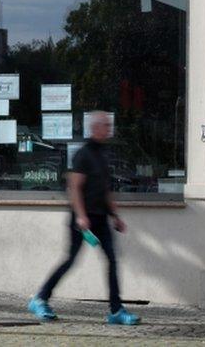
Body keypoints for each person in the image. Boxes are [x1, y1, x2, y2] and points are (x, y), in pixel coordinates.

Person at [27, 110, 141, 325]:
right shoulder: (83, 154)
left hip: (100, 217)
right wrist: (80, 216)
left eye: (110, 125)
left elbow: (105, 189)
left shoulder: (103, 154)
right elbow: (75, 188)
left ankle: (116, 310)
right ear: (95, 128)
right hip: (83, 221)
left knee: (112, 260)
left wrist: (115, 215)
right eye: (106, 125)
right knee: (70, 260)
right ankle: (40, 298)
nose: (110, 129)